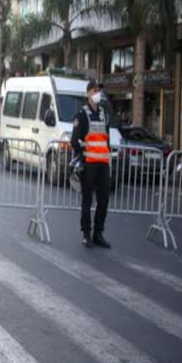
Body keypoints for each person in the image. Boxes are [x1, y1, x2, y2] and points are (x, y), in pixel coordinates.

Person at [70, 80, 112, 249]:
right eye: (95, 90)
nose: (98, 94)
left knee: (104, 200)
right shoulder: (82, 114)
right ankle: (86, 234)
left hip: (103, 164)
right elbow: (74, 141)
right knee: (87, 200)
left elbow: (106, 139)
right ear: (88, 93)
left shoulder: (104, 114)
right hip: (89, 164)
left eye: (99, 91)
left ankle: (98, 233)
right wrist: (83, 151)